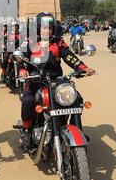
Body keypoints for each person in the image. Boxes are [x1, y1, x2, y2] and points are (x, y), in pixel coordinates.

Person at [18, 12, 95, 152]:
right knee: (28, 101)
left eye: (49, 28)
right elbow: (21, 59)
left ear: (53, 29)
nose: (46, 30)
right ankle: (28, 131)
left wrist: (83, 68)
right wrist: (23, 70)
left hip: (56, 81)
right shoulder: (29, 42)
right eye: (43, 27)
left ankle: (76, 129)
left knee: (76, 98)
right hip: (36, 81)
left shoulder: (59, 43)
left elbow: (70, 57)